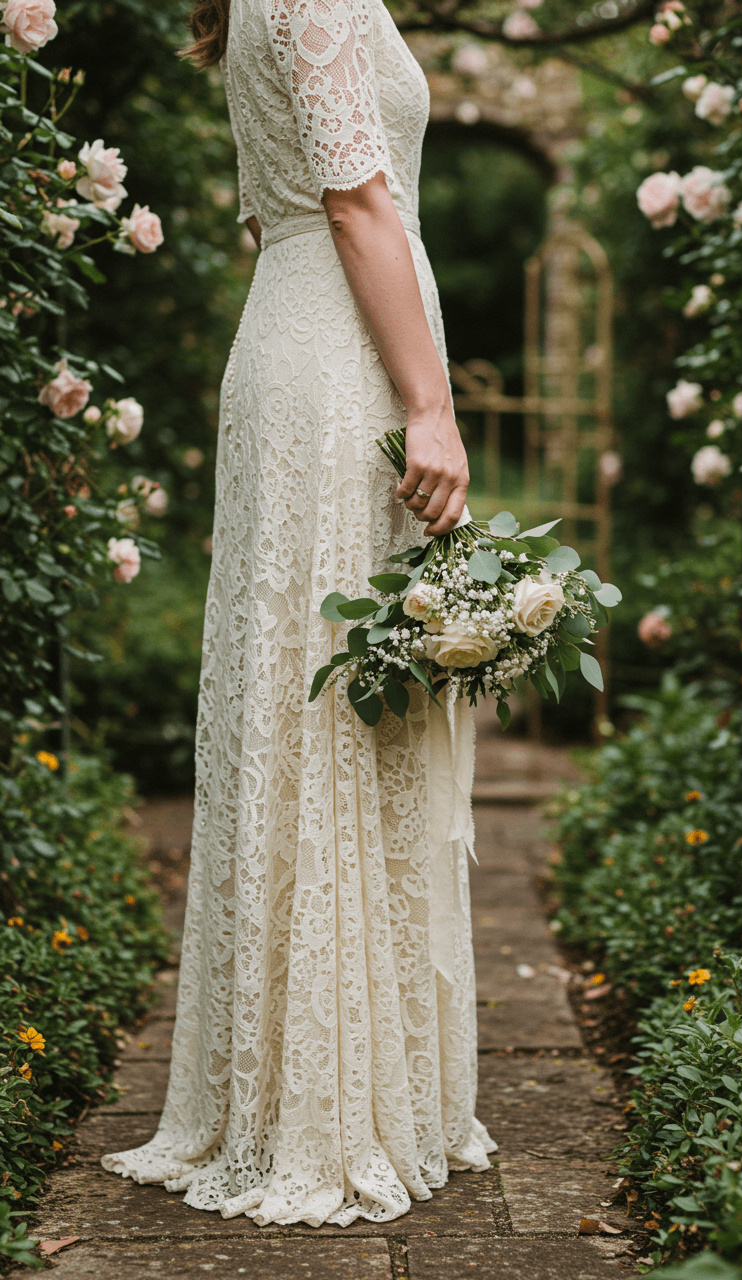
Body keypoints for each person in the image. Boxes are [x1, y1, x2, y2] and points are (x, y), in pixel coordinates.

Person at [100, 0, 496, 1228]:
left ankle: (329, 1082)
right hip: (340, 358)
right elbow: (354, 202)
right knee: (332, 703)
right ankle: (320, 1104)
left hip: (305, 333)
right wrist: (429, 405)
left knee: (325, 701)